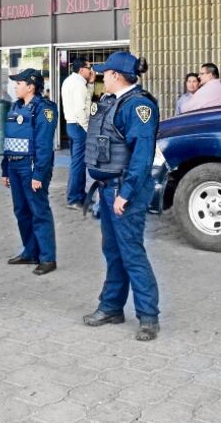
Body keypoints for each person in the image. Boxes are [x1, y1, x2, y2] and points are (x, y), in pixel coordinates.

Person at [82, 51, 162, 341]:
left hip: (124, 191)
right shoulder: (113, 103)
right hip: (108, 190)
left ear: (116, 76)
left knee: (131, 253)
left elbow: (142, 156)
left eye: (106, 74)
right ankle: (112, 307)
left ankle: (149, 316)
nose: (102, 77)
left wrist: (124, 194)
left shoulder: (138, 106)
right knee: (113, 251)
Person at [1, 68, 59, 275]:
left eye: (19, 83)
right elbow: (8, 141)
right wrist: (5, 170)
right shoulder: (16, 107)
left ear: (31, 86)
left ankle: (47, 258)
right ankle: (30, 251)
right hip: (15, 167)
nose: (15, 86)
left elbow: (44, 145)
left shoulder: (44, 109)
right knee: (21, 211)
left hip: (31, 167)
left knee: (39, 212)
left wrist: (39, 175)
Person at [61, 57, 94, 210]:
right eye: (89, 67)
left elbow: (86, 100)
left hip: (71, 125)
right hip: (79, 126)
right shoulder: (79, 84)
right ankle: (74, 198)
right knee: (79, 164)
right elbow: (81, 109)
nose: (91, 70)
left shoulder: (70, 81)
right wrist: (87, 128)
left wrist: (92, 83)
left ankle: (78, 195)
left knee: (77, 162)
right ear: (81, 69)